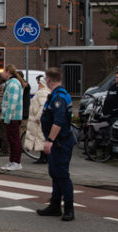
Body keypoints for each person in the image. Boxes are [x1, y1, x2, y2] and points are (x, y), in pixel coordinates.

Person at [36, 67, 76, 221]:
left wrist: (50, 141)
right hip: (60, 141)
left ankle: (69, 208)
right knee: (56, 174)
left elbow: (58, 122)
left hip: (60, 142)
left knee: (62, 175)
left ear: (48, 80)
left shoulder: (59, 97)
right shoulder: (58, 95)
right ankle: (55, 205)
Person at [0, 64, 26, 171]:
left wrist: (7, 118)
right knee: (12, 140)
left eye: (3, 71)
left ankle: (16, 162)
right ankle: (12, 161)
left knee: (14, 140)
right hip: (12, 117)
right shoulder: (11, 84)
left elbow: (12, 104)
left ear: (8, 73)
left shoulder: (13, 85)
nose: (2, 74)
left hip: (12, 118)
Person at [24, 75, 51, 164]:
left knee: (40, 137)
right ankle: (43, 157)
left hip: (38, 120)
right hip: (38, 119)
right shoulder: (43, 92)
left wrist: (39, 117)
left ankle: (43, 157)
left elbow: (43, 105)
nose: (38, 84)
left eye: (39, 82)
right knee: (40, 137)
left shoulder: (42, 92)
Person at [0, 77, 9, 156]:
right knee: (2, 132)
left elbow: (1, 100)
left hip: (3, 113)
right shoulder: (3, 86)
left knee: (3, 132)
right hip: (3, 112)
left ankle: (5, 150)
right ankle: (3, 149)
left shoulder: (3, 87)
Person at [17, 71, 31, 138]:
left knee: (23, 129)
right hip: (19, 112)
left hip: (23, 112)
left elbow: (27, 87)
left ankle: (22, 146)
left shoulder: (25, 85)